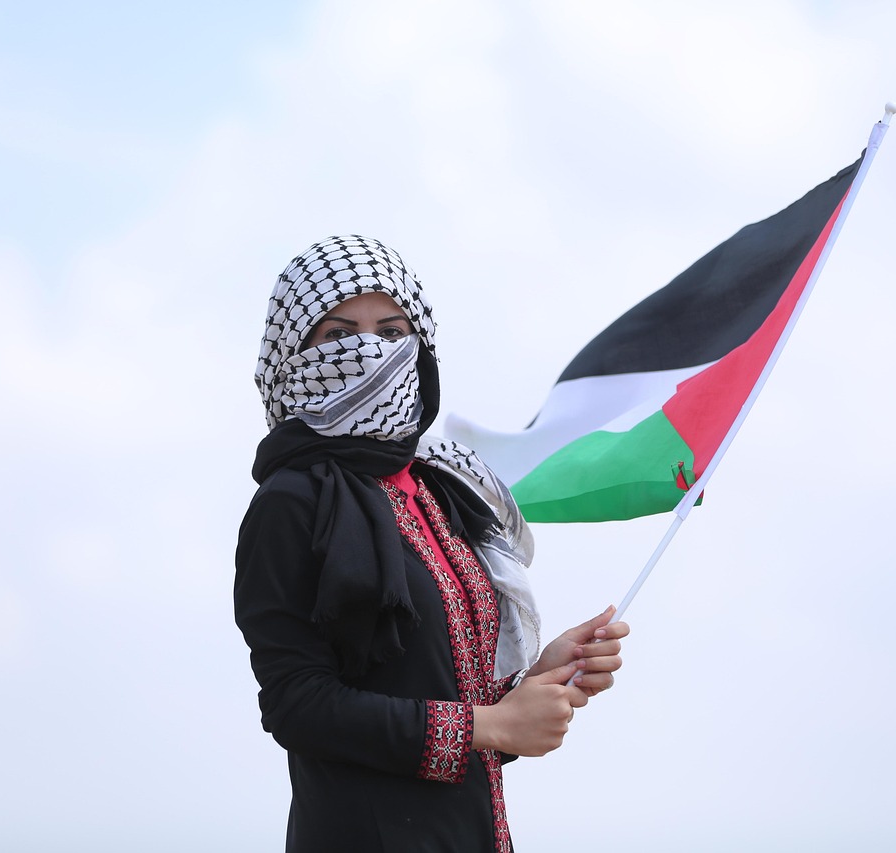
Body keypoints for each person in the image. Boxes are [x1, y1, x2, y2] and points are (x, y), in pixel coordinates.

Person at [234, 235, 629, 852]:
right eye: (339, 335)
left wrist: (532, 687)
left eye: (393, 331)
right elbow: (299, 705)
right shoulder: (291, 502)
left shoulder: (443, 488)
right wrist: (494, 724)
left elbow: (440, 695)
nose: (370, 350)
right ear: (293, 354)